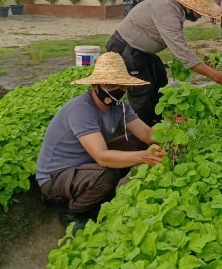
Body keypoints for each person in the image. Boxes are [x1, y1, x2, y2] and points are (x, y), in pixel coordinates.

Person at [35, 52, 166, 232]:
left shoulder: (120, 106)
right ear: (95, 85)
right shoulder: (81, 109)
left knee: (136, 142)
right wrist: (143, 157)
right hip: (55, 178)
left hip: (85, 164)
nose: (118, 90)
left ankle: (97, 193)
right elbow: (102, 157)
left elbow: (147, 134)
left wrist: (173, 125)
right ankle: (74, 212)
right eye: (111, 85)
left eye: (122, 85)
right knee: (107, 175)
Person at [106, 0, 222, 126]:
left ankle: (157, 125)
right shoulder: (168, 11)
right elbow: (182, 52)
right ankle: (139, 134)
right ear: (189, 5)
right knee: (142, 93)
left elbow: (177, 43)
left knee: (159, 81)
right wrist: (213, 74)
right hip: (126, 47)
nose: (201, 15)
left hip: (141, 49)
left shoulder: (175, 8)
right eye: (200, 11)